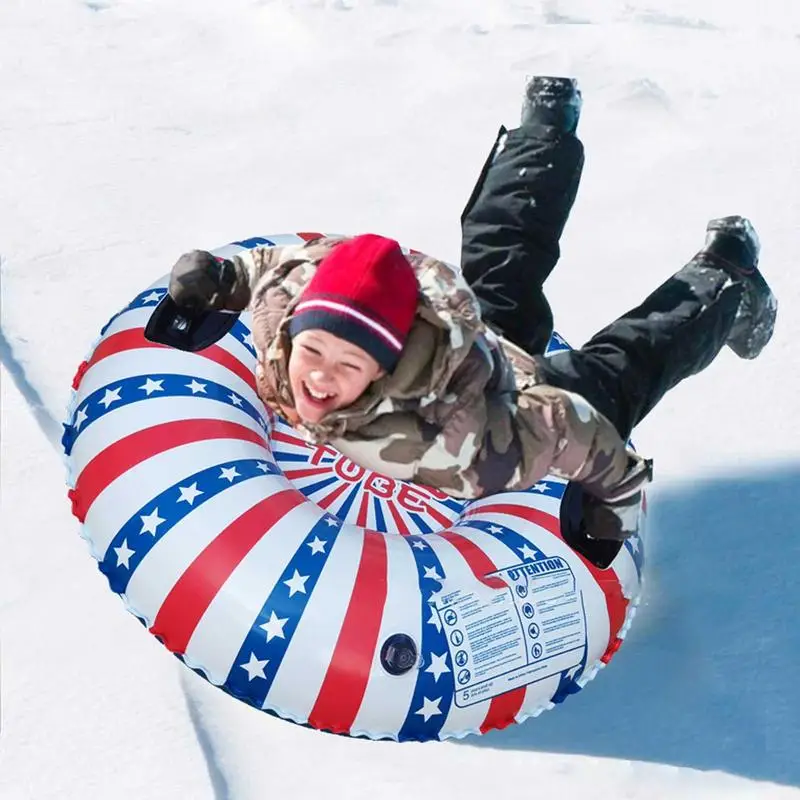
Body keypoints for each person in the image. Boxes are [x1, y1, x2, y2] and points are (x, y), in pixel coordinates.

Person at [165, 76, 777, 542]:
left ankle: (726, 275)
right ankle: (544, 135)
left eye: (349, 364)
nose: (321, 375)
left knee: (622, 369)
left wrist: (617, 494)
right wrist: (219, 279)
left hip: (513, 395)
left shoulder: (452, 444)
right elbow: (275, 269)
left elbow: (571, 427)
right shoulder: (284, 313)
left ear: (382, 369)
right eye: (315, 350)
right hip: (456, 329)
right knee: (499, 249)